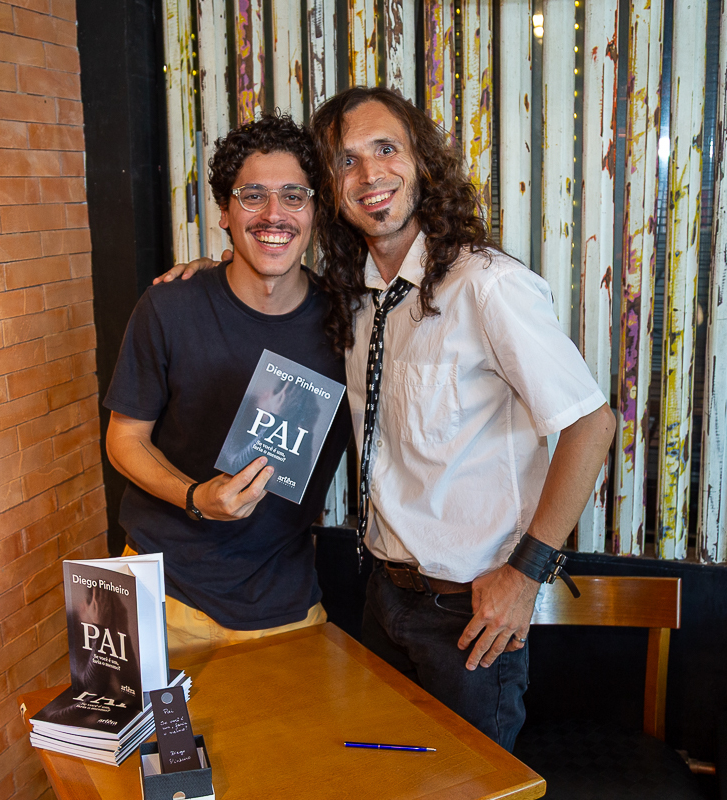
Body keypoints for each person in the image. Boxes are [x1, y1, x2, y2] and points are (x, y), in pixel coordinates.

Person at [161, 87, 614, 750]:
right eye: (346, 162)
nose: (370, 174)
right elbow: (269, 286)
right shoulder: (360, 304)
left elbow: (591, 424)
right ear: (329, 193)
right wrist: (219, 268)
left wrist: (526, 573)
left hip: (470, 616)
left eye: (385, 149)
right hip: (382, 598)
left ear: (422, 163)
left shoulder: (484, 284)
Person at [103, 113, 350, 660]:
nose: (273, 214)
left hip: (285, 607)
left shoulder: (348, 323)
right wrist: (196, 498)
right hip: (161, 597)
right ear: (224, 213)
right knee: (148, 752)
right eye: (252, 195)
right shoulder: (169, 307)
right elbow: (124, 440)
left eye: (293, 195)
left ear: (315, 211)